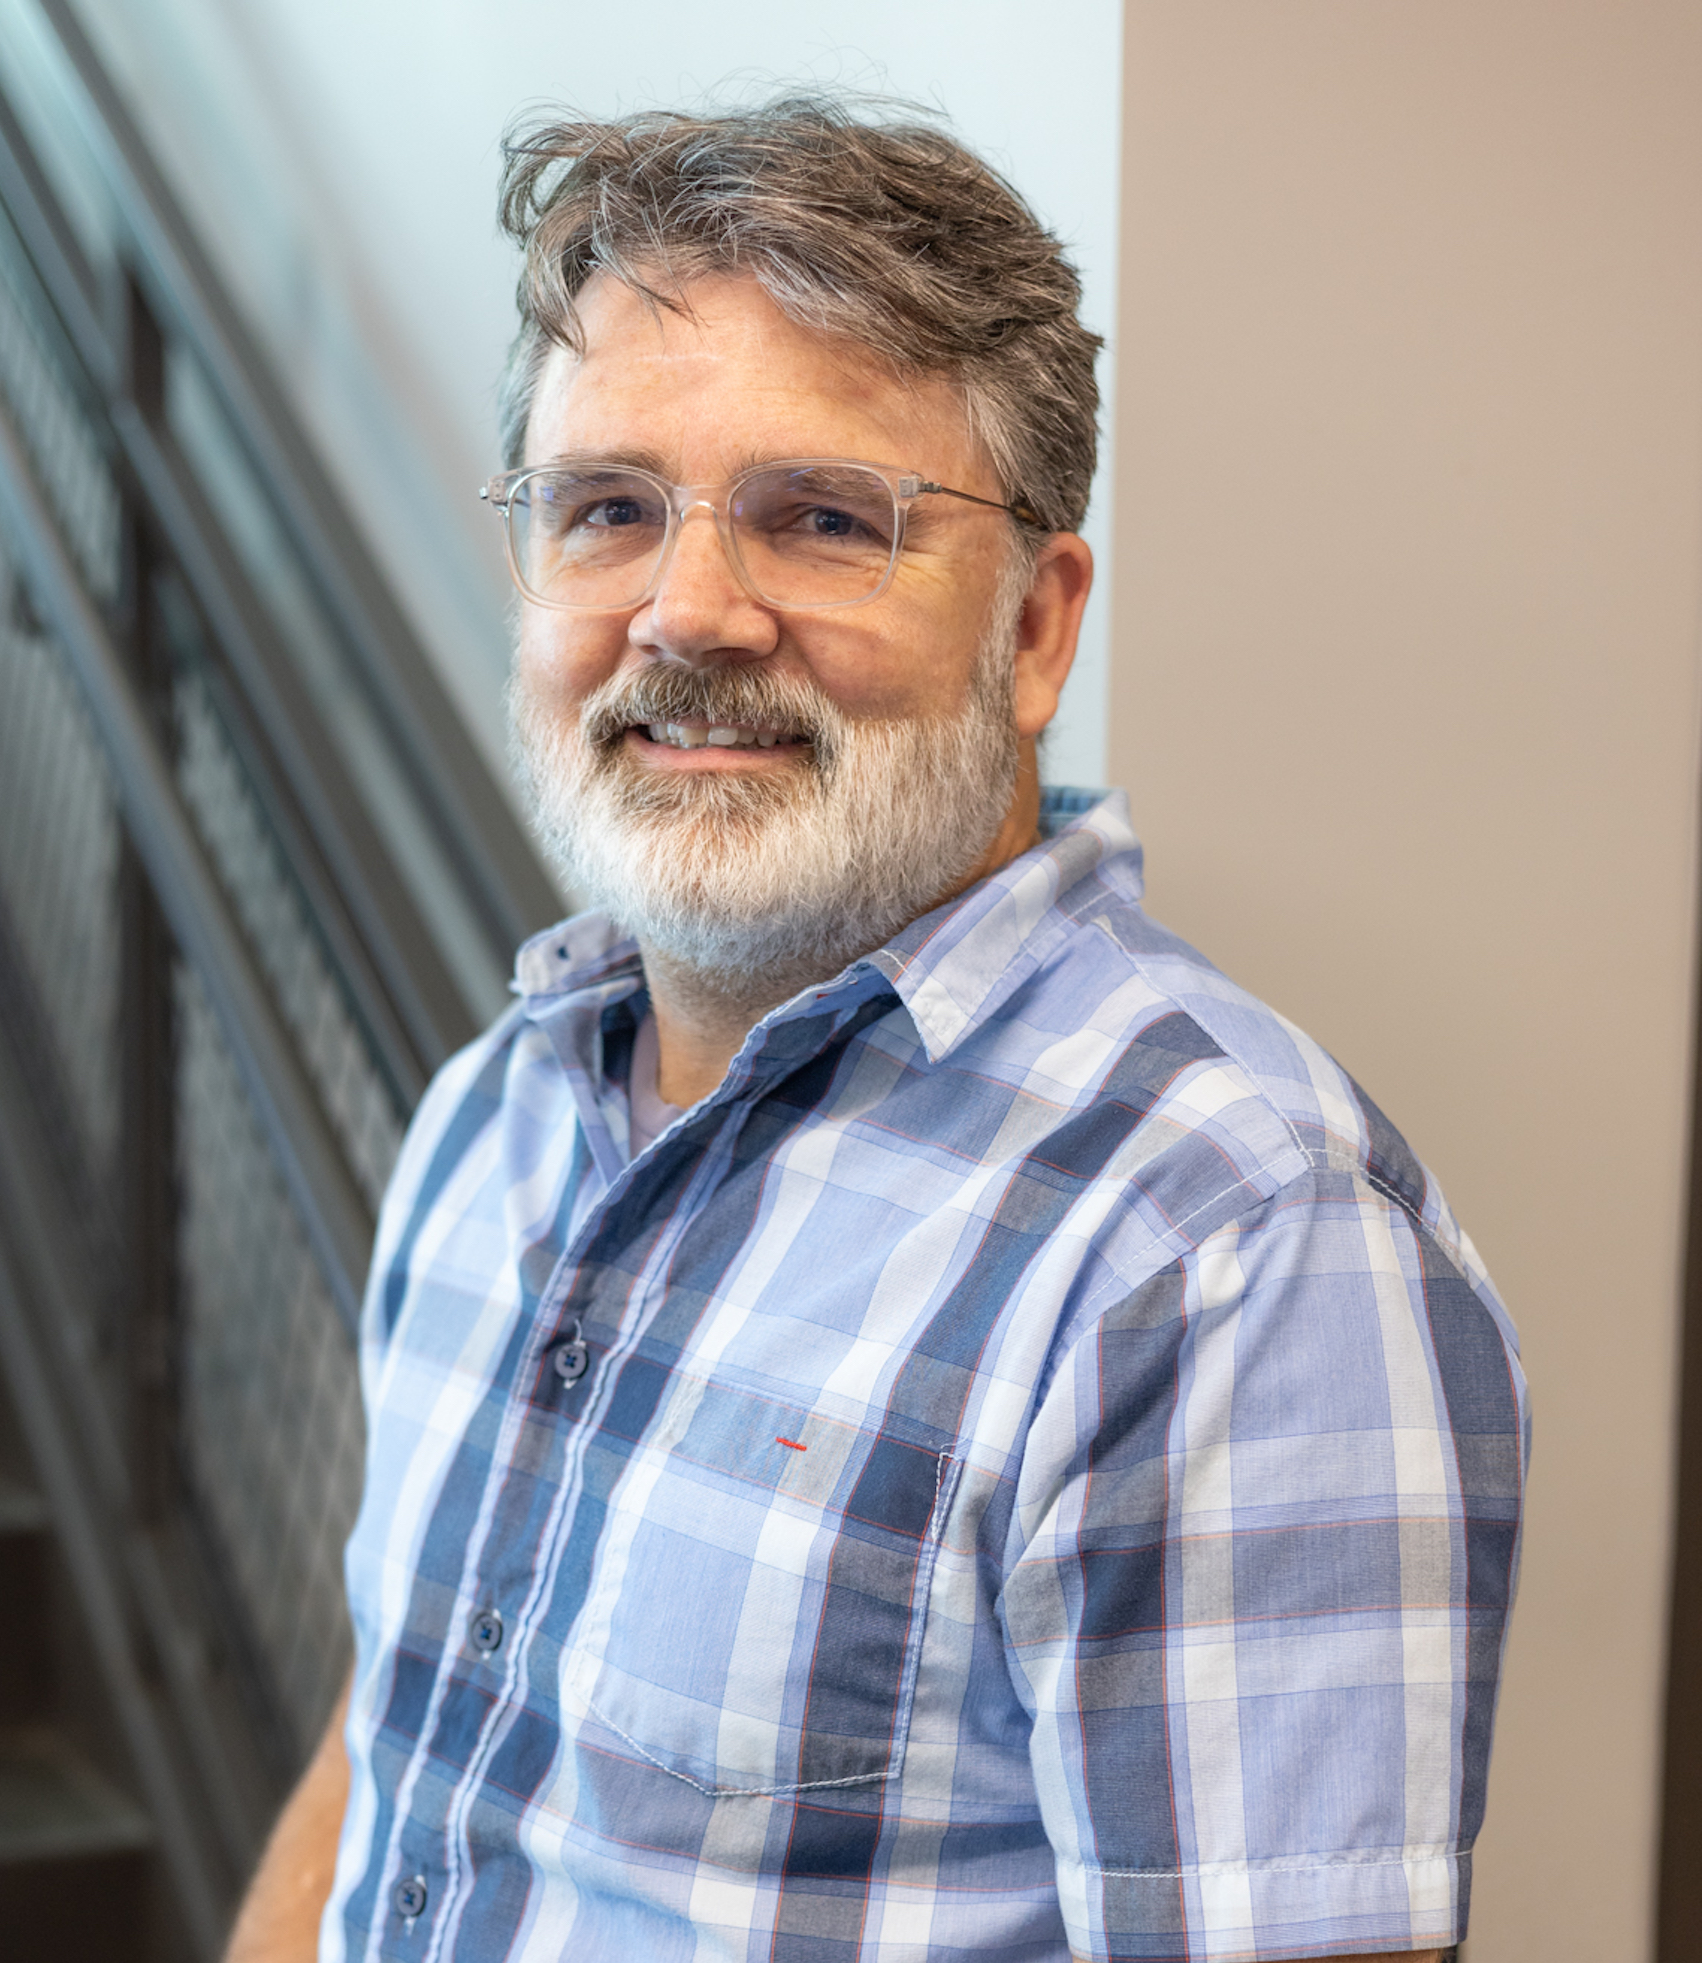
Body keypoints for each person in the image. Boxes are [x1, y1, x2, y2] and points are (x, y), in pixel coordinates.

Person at [225, 96, 1527, 1963]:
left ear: (1034, 630)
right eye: (608, 511)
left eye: (825, 520)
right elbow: (399, 1749)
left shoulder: (1227, 1243)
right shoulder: (492, 1114)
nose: (687, 615)